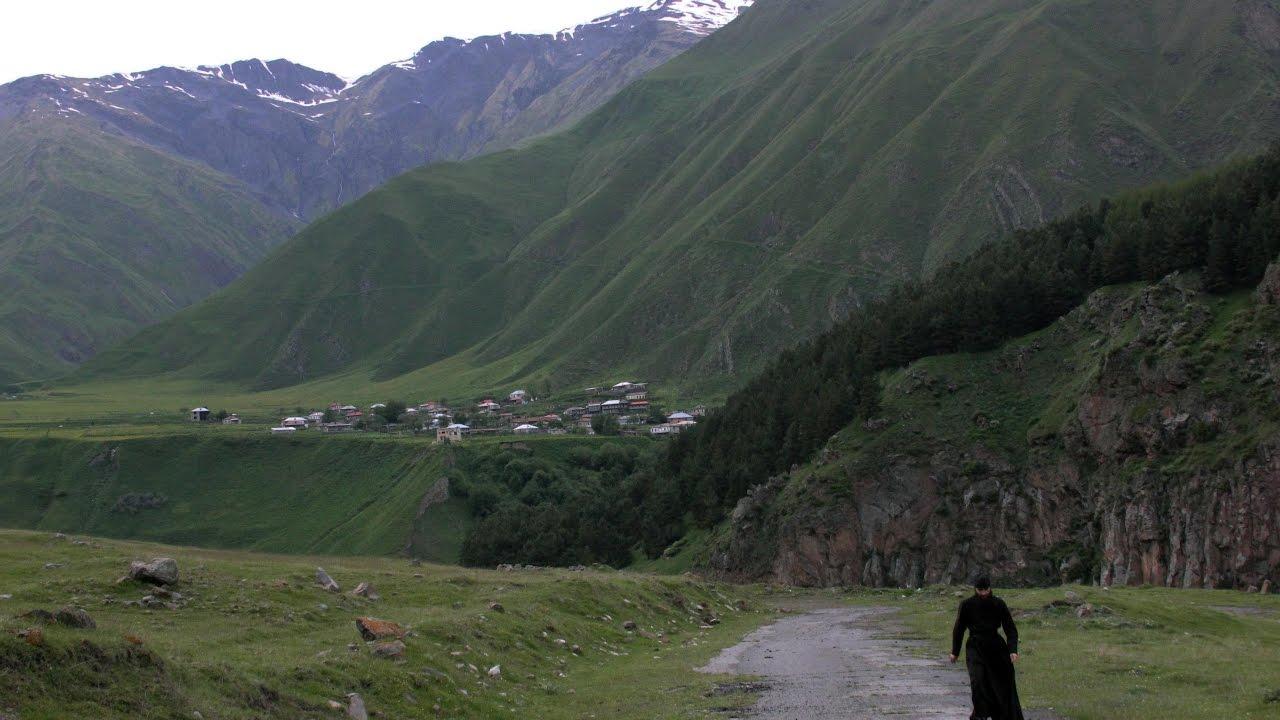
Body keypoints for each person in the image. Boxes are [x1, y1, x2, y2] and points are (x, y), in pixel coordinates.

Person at [949, 575, 1024, 720]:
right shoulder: (967, 605)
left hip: (996, 647)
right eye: (980, 590)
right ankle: (979, 715)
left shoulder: (998, 604)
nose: (983, 593)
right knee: (977, 681)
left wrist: (1013, 650)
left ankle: (999, 715)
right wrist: (955, 652)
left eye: (986, 590)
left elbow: (1010, 628)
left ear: (990, 588)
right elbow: (959, 629)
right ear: (975, 589)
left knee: (999, 685)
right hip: (975, 646)